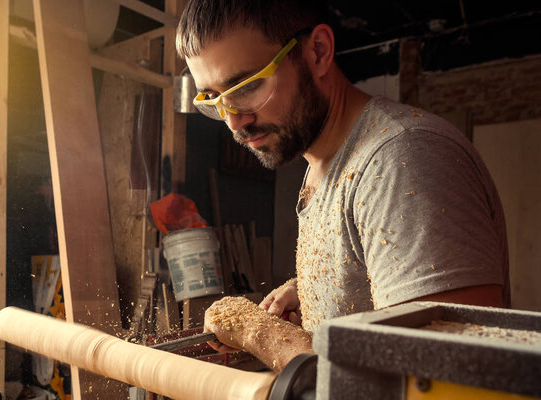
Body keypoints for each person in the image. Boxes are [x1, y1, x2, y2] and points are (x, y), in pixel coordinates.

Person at [176, 0, 509, 373]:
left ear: (318, 52)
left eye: (247, 86)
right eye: (214, 100)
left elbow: (447, 375)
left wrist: (258, 332)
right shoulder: (324, 163)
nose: (235, 122)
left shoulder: (403, 158)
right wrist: (311, 287)